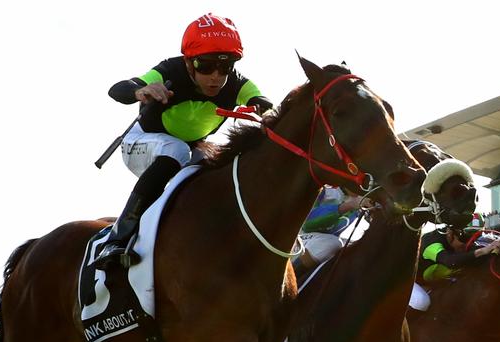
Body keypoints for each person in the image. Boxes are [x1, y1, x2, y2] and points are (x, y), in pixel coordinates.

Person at [94, 13, 273, 269]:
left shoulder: (237, 84)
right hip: (140, 143)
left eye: (225, 66)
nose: (216, 76)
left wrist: (262, 113)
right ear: (189, 62)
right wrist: (139, 90)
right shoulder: (169, 71)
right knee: (177, 149)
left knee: (221, 165)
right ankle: (116, 240)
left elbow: (265, 105)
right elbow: (118, 89)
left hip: (188, 151)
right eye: (205, 65)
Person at [292, 185, 364, 275]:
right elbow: (307, 223)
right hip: (296, 238)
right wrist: (350, 205)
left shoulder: (359, 209)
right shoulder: (324, 190)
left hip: (315, 246)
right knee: (331, 243)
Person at [418, 213, 500, 283]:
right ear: (450, 233)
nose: (468, 243)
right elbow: (451, 261)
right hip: (415, 282)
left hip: (438, 275)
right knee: (422, 301)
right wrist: (483, 251)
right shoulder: (431, 242)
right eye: (464, 238)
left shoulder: (453, 238)